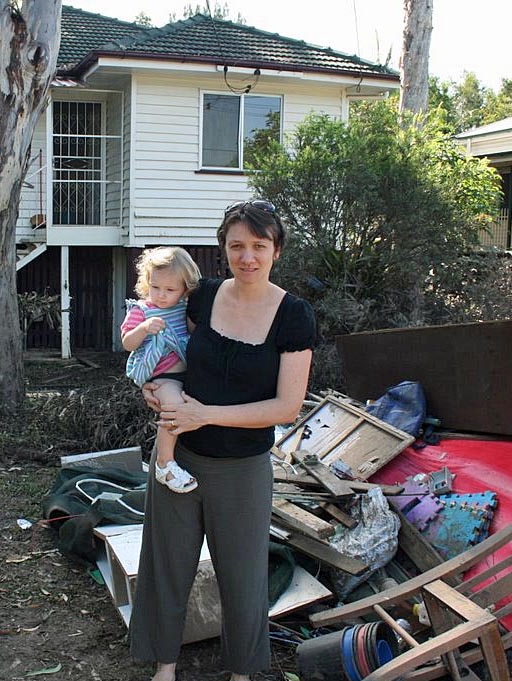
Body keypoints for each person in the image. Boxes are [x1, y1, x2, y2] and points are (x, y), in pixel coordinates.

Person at [129, 200, 317, 681]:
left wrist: (205, 414)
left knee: (242, 577)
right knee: (165, 566)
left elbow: (286, 407)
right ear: (223, 249)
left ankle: (240, 671)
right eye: (237, 245)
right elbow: (177, 357)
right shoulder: (203, 298)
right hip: (180, 458)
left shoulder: (294, 316)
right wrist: (159, 390)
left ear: (276, 250)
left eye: (259, 245)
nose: (247, 256)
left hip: (243, 469)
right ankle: (164, 666)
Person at [121, 246, 201, 493]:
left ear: (185, 289)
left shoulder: (184, 307)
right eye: (155, 287)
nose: (162, 295)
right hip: (163, 376)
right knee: (173, 410)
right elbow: (127, 343)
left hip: (186, 372)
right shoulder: (142, 310)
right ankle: (164, 463)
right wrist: (143, 328)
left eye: (170, 289)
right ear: (147, 283)